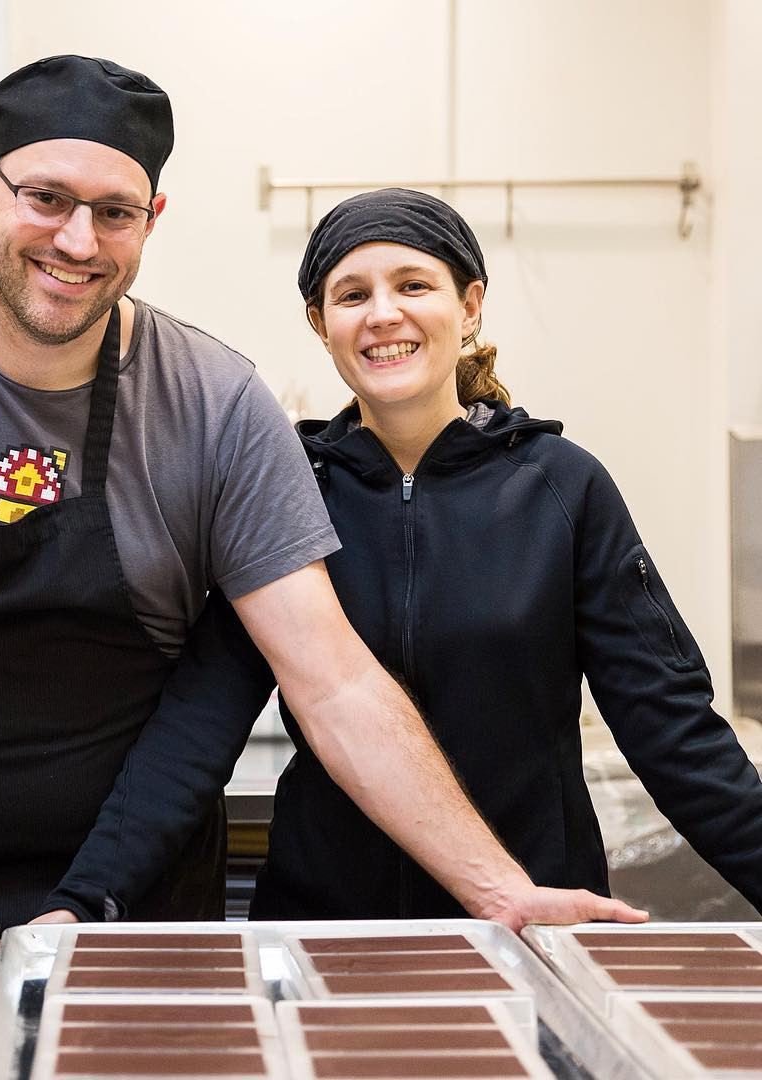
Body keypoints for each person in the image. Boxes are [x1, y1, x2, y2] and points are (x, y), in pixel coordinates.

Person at [0, 56, 639, 931]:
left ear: (152, 218)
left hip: (137, 922)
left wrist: (499, 889)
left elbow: (332, 679)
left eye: (114, 211)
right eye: (46, 198)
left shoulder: (215, 406)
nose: (77, 240)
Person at [44, 187, 762, 922]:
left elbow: (671, 729)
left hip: (533, 919)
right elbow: (198, 722)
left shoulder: (562, 488)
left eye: (413, 285)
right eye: (352, 295)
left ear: (470, 306)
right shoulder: (284, 489)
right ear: (322, 325)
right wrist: (86, 900)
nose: (383, 314)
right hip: (324, 930)